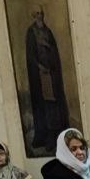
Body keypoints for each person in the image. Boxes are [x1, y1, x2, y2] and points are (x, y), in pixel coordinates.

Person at [24, 9, 71, 150]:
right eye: (37, 13)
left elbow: (53, 51)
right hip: (40, 76)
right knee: (44, 106)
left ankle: (57, 137)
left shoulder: (48, 32)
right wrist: (40, 66)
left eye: (41, 13)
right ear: (34, 15)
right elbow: (30, 55)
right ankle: (45, 138)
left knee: (54, 106)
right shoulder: (31, 32)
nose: (40, 16)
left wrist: (49, 53)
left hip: (51, 75)